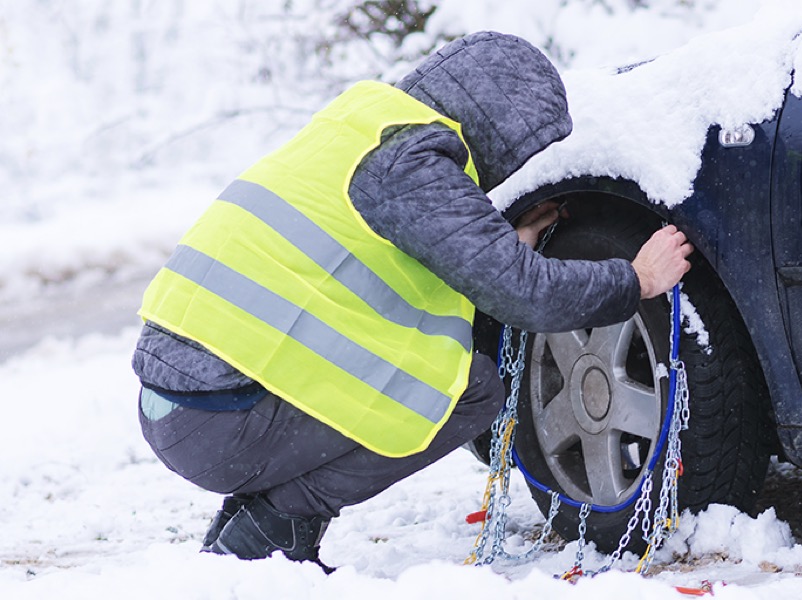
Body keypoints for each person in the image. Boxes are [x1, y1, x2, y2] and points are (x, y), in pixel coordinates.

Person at [131, 31, 692, 571]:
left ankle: (254, 524)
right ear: (499, 130)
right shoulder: (415, 167)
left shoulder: (360, 126)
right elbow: (529, 296)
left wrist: (496, 245)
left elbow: (375, 266)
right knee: (467, 393)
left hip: (183, 403)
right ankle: (275, 529)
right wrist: (636, 279)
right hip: (218, 422)